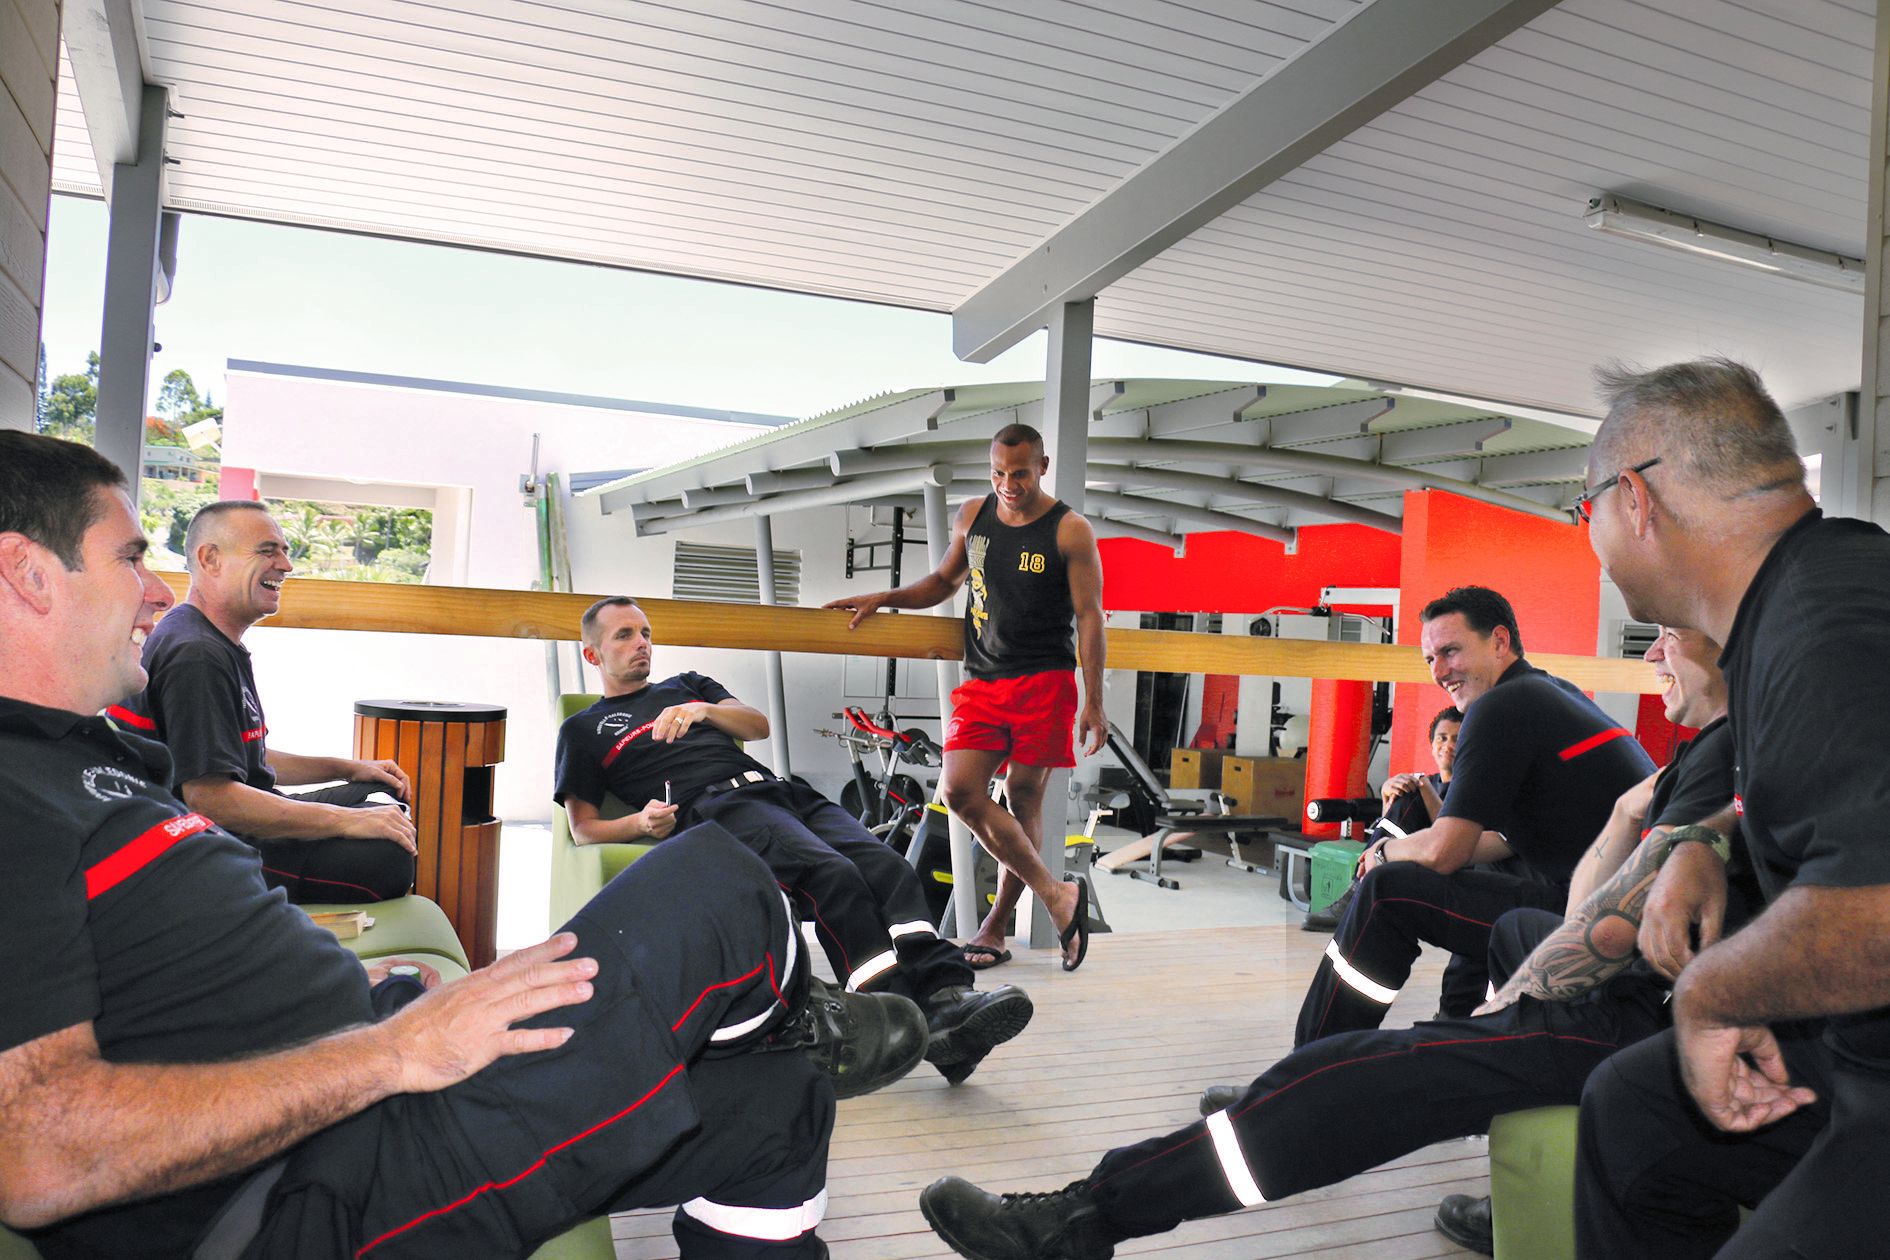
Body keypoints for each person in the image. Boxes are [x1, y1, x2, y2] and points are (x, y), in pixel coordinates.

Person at [0, 431, 928, 1259]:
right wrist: (391, 1052)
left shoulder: (91, 752)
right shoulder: (11, 792)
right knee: (716, 886)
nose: (156, 589)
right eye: (128, 556)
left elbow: (172, 963)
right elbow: (38, 1153)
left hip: (356, 1080)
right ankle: (788, 1015)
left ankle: (775, 1033)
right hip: (303, 1184)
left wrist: (357, 987)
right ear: (27, 572)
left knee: (783, 1108)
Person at [913, 624, 1744, 1260]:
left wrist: (1504, 1008)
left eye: (1675, 631)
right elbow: (1574, 892)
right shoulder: (1694, 752)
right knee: (1458, 922)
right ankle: (1467, 1141)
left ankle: (1083, 1217)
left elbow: (1577, 914)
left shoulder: (1676, 742)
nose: (1656, 650)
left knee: (1366, 1073)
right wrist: (1626, 813)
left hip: (1657, 1017)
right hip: (1622, 970)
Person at [1571, 358, 1890, 1257]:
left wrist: (1709, 994)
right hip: (1859, 1049)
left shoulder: (1822, 638)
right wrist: (1708, 839)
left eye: (1582, 510)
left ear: (1634, 500)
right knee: (1635, 1108)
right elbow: (1843, 794)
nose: (1588, 535)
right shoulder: (1826, 579)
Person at [554, 596, 1033, 1085]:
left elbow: (756, 726)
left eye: (646, 633)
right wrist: (639, 823)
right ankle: (902, 1015)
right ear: (592, 655)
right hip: (719, 811)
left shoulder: (688, 686)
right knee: (832, 877)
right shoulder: (583, 730)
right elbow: (582, 827)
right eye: (624, 636)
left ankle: (948, 995)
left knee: (886, 866)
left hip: (779, 790)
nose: (642, 645)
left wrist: (700, 710)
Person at [1296, 586, 1655, 1042]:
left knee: (1389, 891)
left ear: (1499, 641)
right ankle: (1454, 1025)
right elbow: (1484, 844)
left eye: (1450, 651)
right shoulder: (1549, 693)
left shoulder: (1500, 707)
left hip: (1597, 928)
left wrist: (1385, 851)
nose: (1440, 672)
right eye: (1430, 659)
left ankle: (1305, 1064)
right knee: (1458, 877)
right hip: (1618, 914)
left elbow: (1447, 850)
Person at [824, 423, 1106, 972]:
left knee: (1024, 799)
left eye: (1020, 473)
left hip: (1044, 681)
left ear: (1041, 467)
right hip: (980, 683)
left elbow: (1091, 617)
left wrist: (1094, 700)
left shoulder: (1070, 530)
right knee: (959, 793)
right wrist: (886, 596)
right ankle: (1056, 894)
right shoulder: (973, 516)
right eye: (999, 472)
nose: (1008, 484)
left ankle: (995, 926)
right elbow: (943, 583)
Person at [113, 500, 417, 903]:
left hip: (247, 814)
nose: (286, 565)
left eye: (286, 551)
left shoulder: (208, 640)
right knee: (388, 860)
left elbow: (247, 757)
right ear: (211, 560)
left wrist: (351, 769)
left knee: (384, 796)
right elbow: (211, 798)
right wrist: (345, 822)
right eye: (267, 551)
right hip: (212, 843)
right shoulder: (196, 654)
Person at [1379, 705, 1462, 835]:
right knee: (1404, 789)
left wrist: (1424, 788)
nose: (1448, 746)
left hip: (1440, 852)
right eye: (1442, 738)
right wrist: (1388, 793)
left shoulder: (1474, 789)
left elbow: (1453, 839)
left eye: (1457, 739)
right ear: (1432, 745)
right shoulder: (1423, 784)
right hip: (1403, 850)